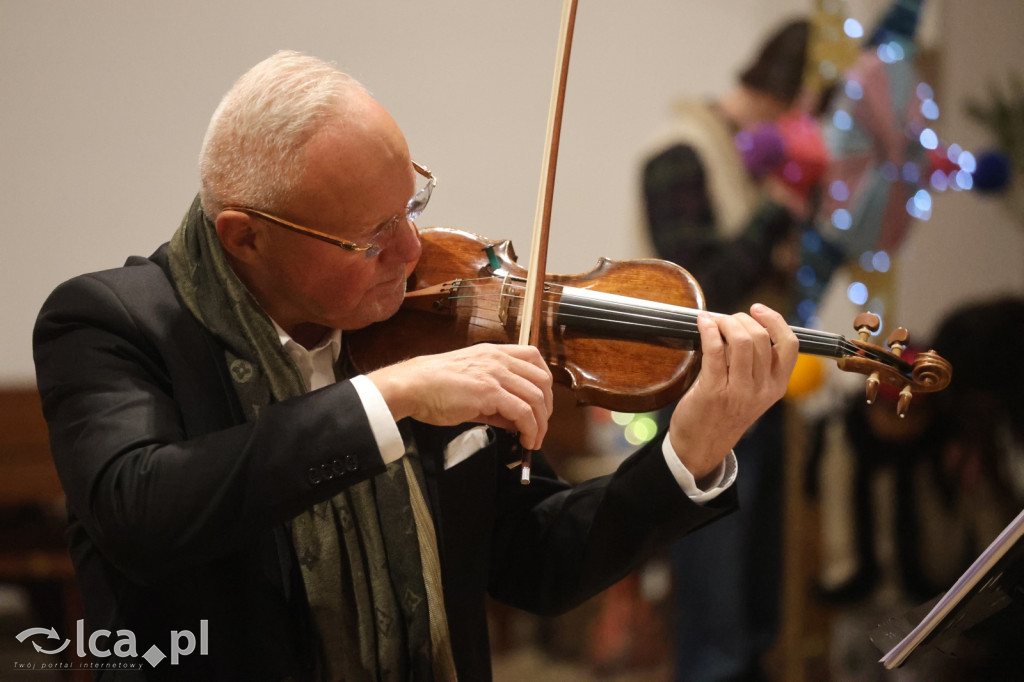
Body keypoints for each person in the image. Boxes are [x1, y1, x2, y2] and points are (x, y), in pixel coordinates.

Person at [32, 51, 798, 681]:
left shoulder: (430, 332)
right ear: (244, 237)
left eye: (412, 208)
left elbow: (536, 560)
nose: (409, 255)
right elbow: (142, 511)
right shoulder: (111, 325)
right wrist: (385, 400)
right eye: (369, 239)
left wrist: (687, 454)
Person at [638, 18, 812, 682]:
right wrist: (774, 213)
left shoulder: (749, 156)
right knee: (716, 616)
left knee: (756, 607)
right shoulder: (679, 150)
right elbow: (699, 286)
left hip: (758, 392)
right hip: (700, 397)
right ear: (793, 97)